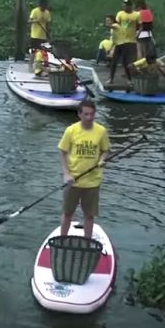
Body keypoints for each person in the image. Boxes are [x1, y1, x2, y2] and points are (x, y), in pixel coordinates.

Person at [58, 99, 110, 239]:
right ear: (79, 114)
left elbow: (105, 150)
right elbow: (62, 152)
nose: (89, 118)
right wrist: (66, 173)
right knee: (67, 213)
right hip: (73, 180)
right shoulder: (71, 131)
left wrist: (102, 159)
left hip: (93, 181)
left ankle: (87, 241)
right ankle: (62, 238)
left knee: (89, 215)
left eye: (92, 114)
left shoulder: (101, 131)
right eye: (86, 114)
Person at [111, 0, 139, 85]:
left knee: (126, 61)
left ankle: (129, 79)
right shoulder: (120, 14)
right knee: (114, 60)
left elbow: (140, 26)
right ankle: (111, 78)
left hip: (130, 41)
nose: (124, 7)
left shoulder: (136, 15)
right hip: (120, 41)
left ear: (130, 6)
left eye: (126, 6)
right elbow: (116, 25)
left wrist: (138, 34)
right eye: (123, 5)